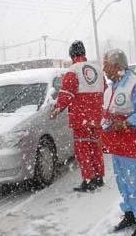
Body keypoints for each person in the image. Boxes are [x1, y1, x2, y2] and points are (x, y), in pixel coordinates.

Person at [101, 49, 136, 236]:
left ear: (117, 66)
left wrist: (126, 123)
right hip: (118, 146)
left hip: (133, 144)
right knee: (123, 181)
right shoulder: (112, 87)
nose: (104, 69)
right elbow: (108, 113)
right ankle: (130, 213)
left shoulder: (135, 85)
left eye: (106, 65)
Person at [50, 40, 105, 192]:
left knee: (83, 150)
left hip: (81, 118)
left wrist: (57, 109)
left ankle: (89, 180)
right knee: (95, 148)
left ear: (72, 55)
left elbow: (66, 93)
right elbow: (105, 89)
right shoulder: (97, 69)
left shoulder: (73, 70)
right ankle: (99, 177)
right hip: (97, 117)